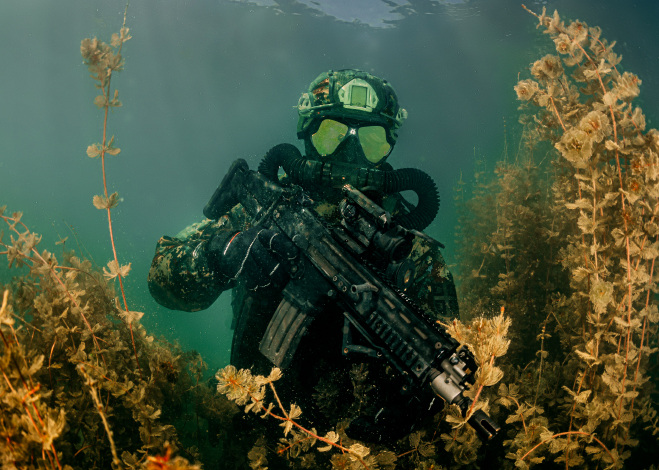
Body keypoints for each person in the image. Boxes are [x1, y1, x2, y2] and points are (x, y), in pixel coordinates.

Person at [147, 69, 459, 442]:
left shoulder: (413, 252)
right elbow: (161, 279)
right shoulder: (265, 209)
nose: (350, 152)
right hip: (258, 443)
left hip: (360, 465)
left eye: (371, 140)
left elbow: (446, 356)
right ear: (307, 133)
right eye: (332, 134)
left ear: (390, 146)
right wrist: (221, 253)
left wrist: (419, 410)